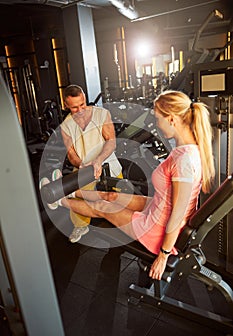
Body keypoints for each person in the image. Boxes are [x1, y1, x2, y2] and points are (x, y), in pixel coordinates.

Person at [42, 90, 215, 280]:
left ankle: (59, 201)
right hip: (159, 209)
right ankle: (71, 193)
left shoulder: (185, 161)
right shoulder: (186, 150)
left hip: (156, 228)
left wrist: (163, 255)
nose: (157, 124)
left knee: (103, 207)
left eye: (158, 119)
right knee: (111, 196)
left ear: (172, 119)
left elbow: (177, 214)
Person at [59, 84, 122, 243]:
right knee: (77, 193)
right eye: (74, 107)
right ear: (66, 105)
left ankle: (124, 222)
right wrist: (81, 165)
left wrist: (98, 160)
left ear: (85, 98)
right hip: (84, 167)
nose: (80, 110)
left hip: (107, 162)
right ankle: (81, 225)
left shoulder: (102, 114)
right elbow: (71, 154)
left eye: (82, 104)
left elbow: (111, 141)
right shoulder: (66, 126)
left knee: (121, 196)